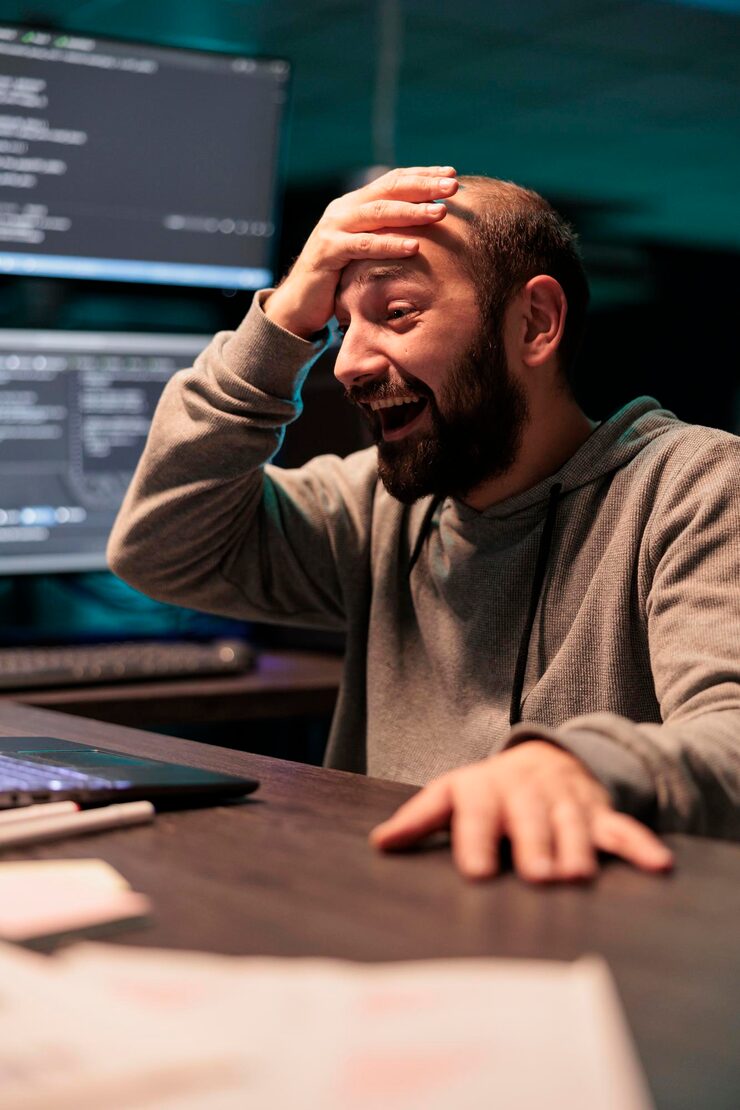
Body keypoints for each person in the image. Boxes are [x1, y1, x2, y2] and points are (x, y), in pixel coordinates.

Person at [108, 166, 740, 883]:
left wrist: (576, 764)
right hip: (385, 923)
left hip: (590, 939)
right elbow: (163, 551)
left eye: (398, 313)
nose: (345, 364)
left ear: (534, 323)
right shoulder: (377, 508)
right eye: (339, 327)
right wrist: (282, 323)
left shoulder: (696, 485)